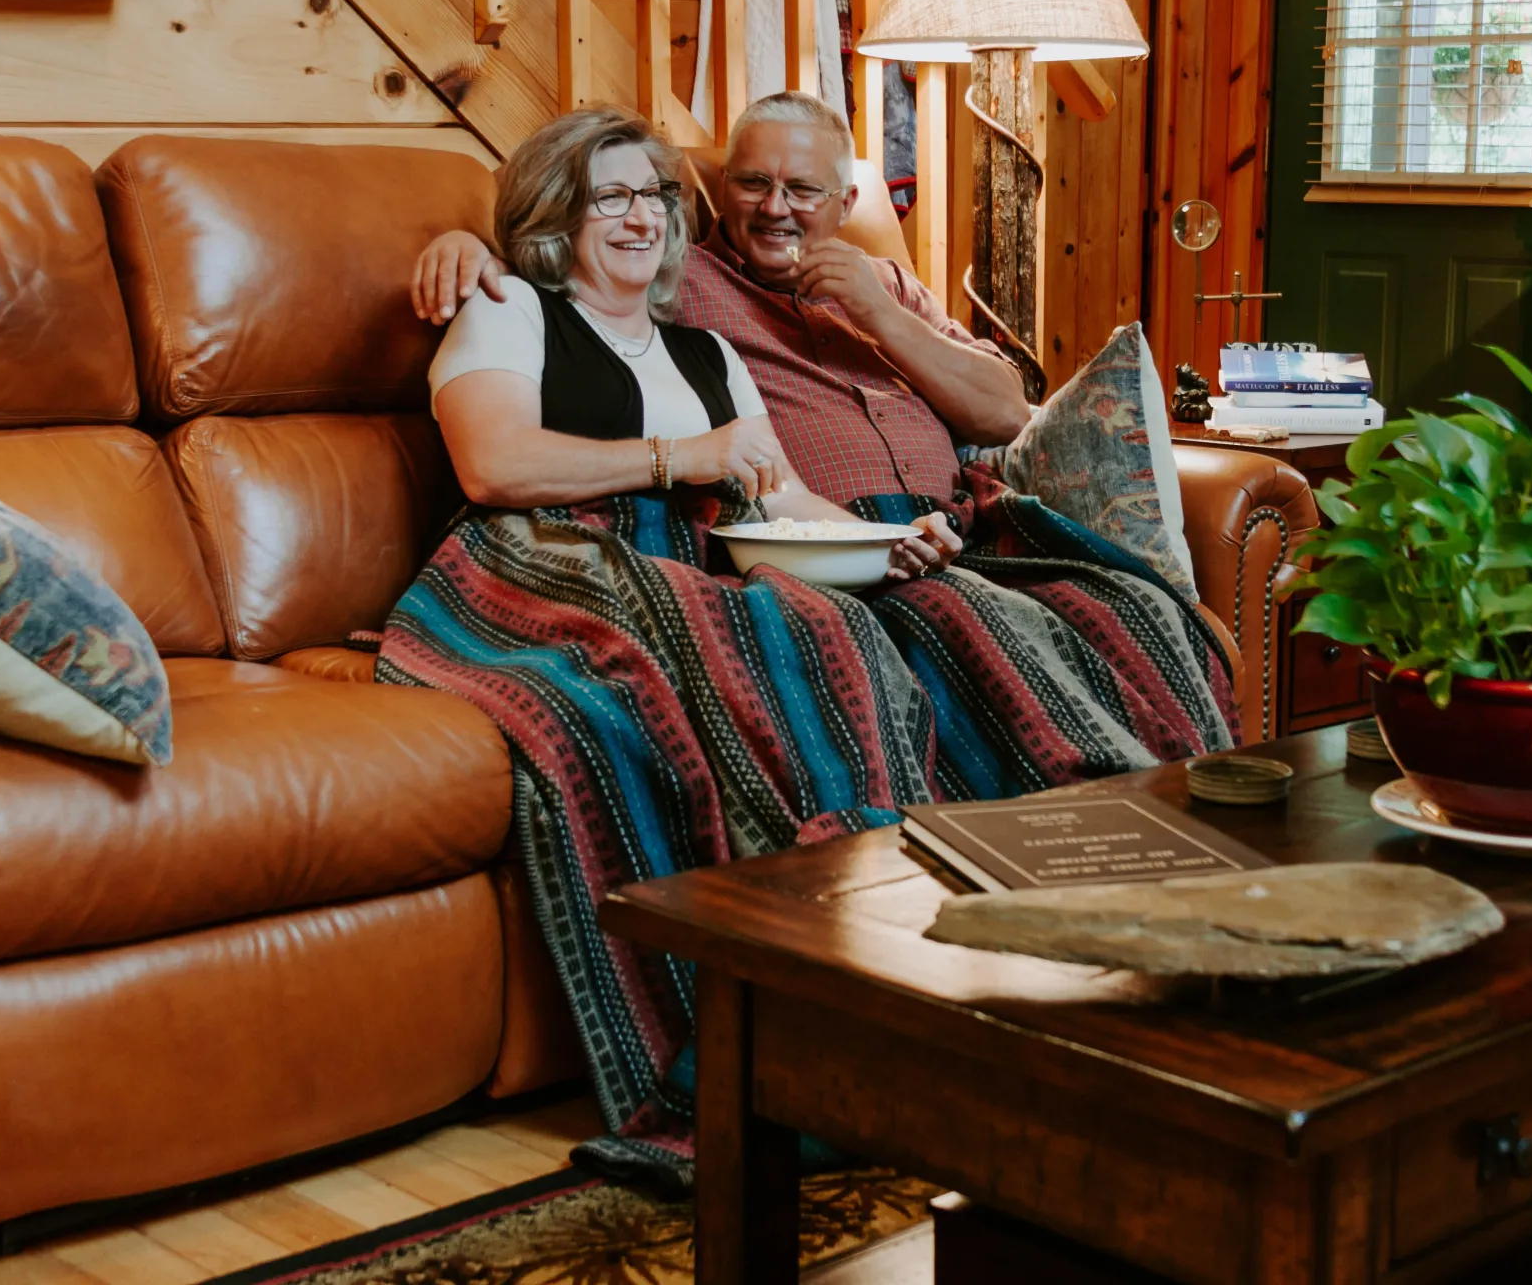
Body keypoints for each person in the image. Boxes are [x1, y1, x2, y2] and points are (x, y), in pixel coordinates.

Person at [383, 98, 1235, 1191]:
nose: (641, 215)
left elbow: (778, 497)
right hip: (541, 559)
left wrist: (891, 543)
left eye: (652, 192)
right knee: (801, 642)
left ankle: (1093, 939)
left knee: (867, 624)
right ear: (560, 213)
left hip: (697, 554)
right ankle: (801, 1036)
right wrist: (682, 459)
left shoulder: (701, 350)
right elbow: (496, 469)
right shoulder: (512, 308)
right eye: (613, 197)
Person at [412, 90, 1026, 526]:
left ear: (848, 204)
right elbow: (556, 266)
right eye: (753, 183)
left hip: (946, 525)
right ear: (723, 187)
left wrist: (882, 315)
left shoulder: (882, 286)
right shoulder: (680, 281)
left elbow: (1007, 416)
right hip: (741, 554)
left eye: (805, 190)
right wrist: (469, 245)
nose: (775, 208)